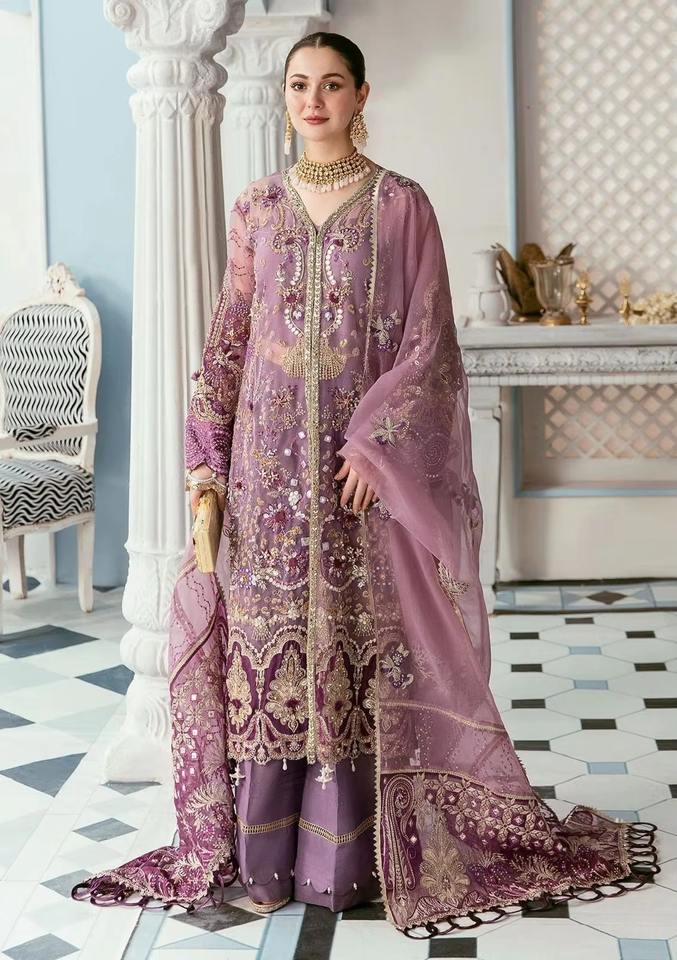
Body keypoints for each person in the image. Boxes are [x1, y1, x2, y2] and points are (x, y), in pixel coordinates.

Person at [73, 32, 657, 938]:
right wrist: (205, 467)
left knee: (354, 648)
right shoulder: (257, 206)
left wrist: (375, 446)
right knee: (267, 654)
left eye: (331, 84)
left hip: (355, 484)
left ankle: (349, 862)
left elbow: (430, 345)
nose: (312, 100)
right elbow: (228, 340)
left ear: (360, 95)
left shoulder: (400, 204)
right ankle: (265, 862)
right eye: (298, 84)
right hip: (266, 475)